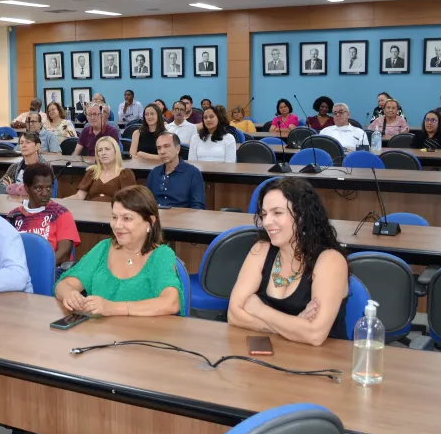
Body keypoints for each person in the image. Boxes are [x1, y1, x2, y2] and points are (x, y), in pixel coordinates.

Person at [50, 185, 182, 434]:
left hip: (143, 350)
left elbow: (170, 302)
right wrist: (69, 294)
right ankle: (77, 430)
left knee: (131, 385)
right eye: (114, 217)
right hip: (101, 344)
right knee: (69, 367)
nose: (117, 226)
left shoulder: (161, 256)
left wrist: (114, 307)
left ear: (150, 222)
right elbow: (65, 281)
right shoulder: (103, 248)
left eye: (127, 218)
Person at [227, 177, 349, 345]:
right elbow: (233, 314)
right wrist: (295, 325)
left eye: (277, 213)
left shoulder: (330, 261)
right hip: (274, 356)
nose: (267, 222)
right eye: (264, 214)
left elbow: (314, 334)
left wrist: (259, 309)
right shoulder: (261, 250)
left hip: (322, 363)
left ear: (302, 216)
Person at [6, 163, 80, 266]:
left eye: (49, 188)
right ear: (27, 188)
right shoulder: (13, 216)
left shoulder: (61, 214)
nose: (45, 193)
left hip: (50, 271)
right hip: (19, 271)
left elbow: (63, 255)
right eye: (39, 188)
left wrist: (39, 268)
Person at [147, 132, 206, 209]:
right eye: (159, 148)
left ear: (178, 149)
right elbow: (146, 203)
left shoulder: (193, 173)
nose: (162, 152)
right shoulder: (154, 173)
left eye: (166, 146)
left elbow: (198, 207)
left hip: (182, 218)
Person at [68, 136, 135, 202]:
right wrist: (61, 202)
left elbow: (129, 201)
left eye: (107, 149)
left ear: (115, 152)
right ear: (98, 155)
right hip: (92, 211)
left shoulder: (125, 174)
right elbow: (79, 196)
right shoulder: (92, 172)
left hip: (114, 211)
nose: (103, 153)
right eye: (100, 150)